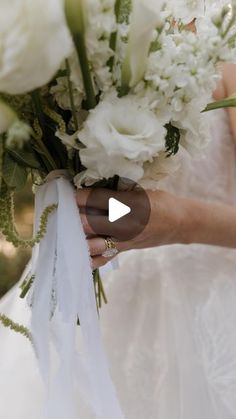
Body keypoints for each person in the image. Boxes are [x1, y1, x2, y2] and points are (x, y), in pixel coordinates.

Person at [0, 63, 235, 419]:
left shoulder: (225, 40)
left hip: (202, 308)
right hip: (82, 292)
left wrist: (179, 223)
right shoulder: (82, 35)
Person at [75, 62, 236, 419]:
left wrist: (179, 222)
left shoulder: (227, 50)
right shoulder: (92, 41)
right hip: (93, 297)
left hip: (207, 301)